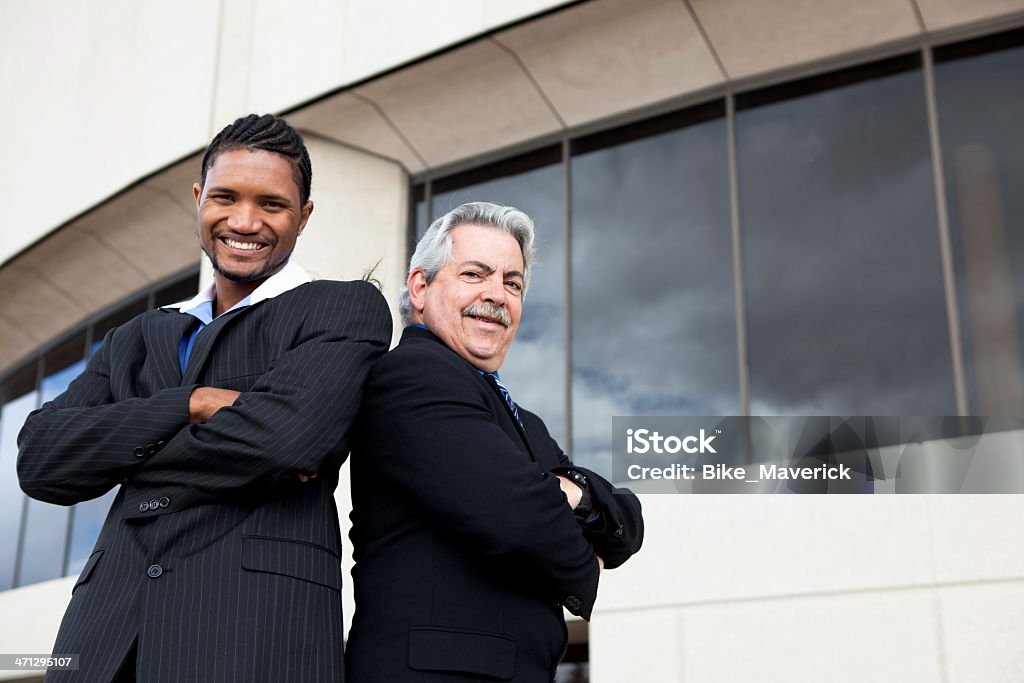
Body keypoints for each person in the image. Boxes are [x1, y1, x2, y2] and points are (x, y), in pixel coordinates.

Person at [17, 113, 392, 683]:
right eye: (225, 197)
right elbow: (41, 458)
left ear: (305, 215)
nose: (244, 221)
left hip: (252, 634)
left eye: (271, 204)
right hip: (102, 637)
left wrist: (122, 449)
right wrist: (189, 405)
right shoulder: (136, 338)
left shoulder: (342, 308)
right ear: (198, 199)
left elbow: (285, 442)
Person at [345, 201, 643, 682]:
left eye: (512, 282)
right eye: (475, 274)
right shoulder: (413, 375)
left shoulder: (524, 421)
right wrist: (580, 538)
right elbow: (522, 520)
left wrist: (577, 495)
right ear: (420, 287)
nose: (497, 295)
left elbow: (629, 523)